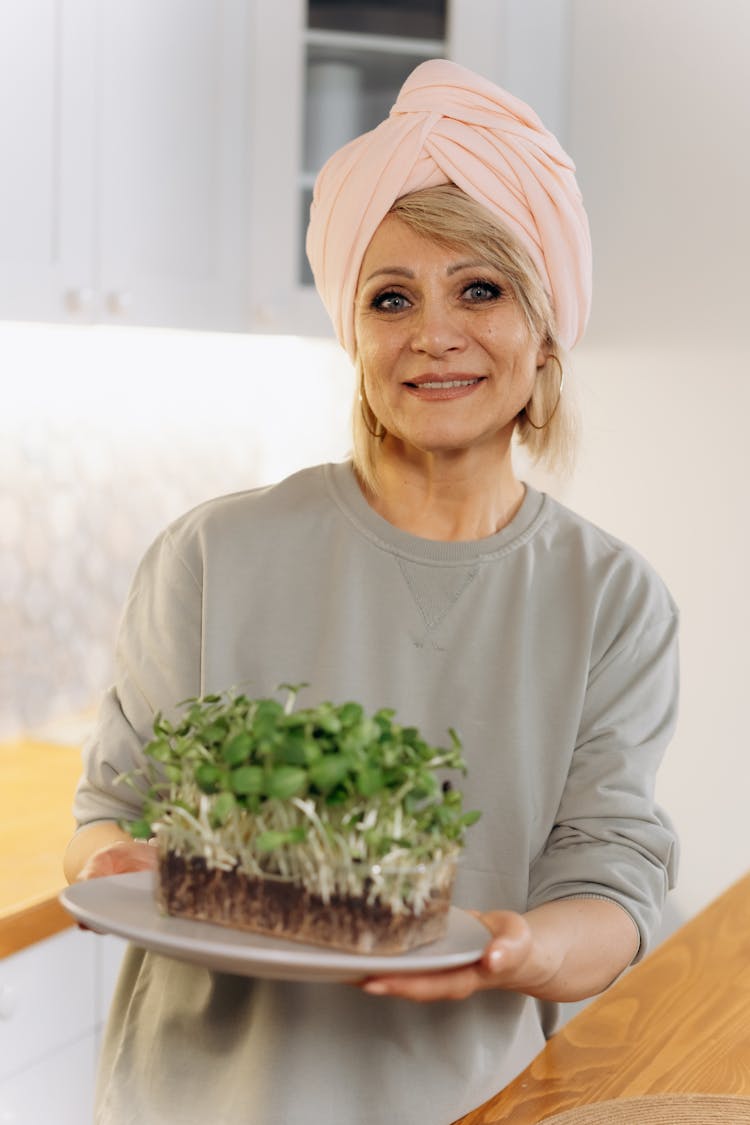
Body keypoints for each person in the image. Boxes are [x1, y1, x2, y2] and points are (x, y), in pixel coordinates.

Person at [64, 59, 679, 1125]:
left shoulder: (613, 599)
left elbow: (615, 886)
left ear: (543, 332)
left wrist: (517, 949)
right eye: (391, 298)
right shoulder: (214, 552)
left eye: (479, 289)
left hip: (460, 1105)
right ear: (355, 336)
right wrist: (118, 861)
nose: (433, 334)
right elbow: (108, 817)